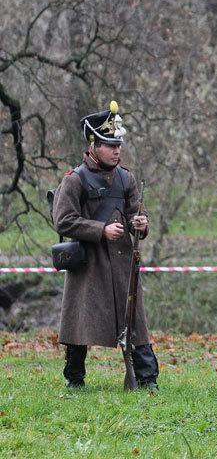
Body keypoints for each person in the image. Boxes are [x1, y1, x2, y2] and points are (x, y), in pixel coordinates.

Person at [52, 101, 158, 389]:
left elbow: (139, 211)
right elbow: (63, 220)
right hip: (89, 264)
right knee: (79, 325)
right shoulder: (74, 180)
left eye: (118, 144)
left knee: (135, 322)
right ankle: (75, 379)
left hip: (123, 263)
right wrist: (100, 230)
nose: (117, 149)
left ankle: (147, 379)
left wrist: (142, 223)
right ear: (92, 145)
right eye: (109, 144)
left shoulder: (126, 178)